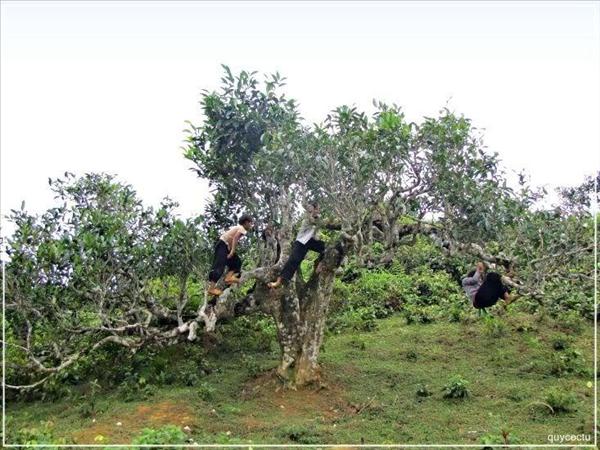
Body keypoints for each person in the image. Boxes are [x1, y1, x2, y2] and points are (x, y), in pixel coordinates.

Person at [268, 203, 337, 289]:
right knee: (293, 261)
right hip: (301, 242)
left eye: (319, 209)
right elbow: (318, 222)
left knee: (327, 248)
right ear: (313, 209)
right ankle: (278, 282)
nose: (318, 210)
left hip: (311, 241)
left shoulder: (319, 218)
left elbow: (324, 224)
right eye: (317, 209)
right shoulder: (308, 218)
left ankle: (320, 264)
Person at [207, 214, 254, 296]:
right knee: (219, 266)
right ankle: (211, 289)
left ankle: (228, 277)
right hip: (222, 245)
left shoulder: (238, 228)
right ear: (246, 222)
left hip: (225, 246)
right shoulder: (242, 229)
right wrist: (232, 251)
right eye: (250, 223)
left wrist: (229, 248)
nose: (251, 225)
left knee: (237, 262)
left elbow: (230, 237)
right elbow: (235, 238)